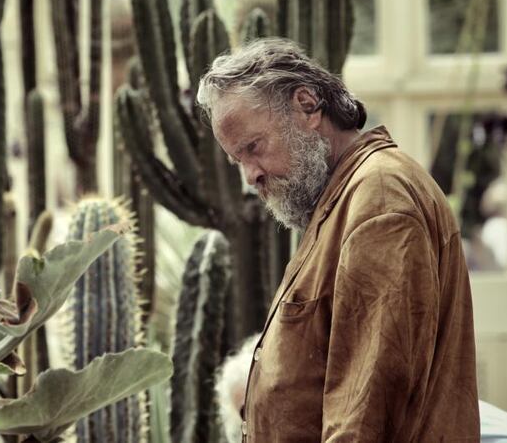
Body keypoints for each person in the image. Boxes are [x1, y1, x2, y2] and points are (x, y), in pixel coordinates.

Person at [196, 37, 480, 442]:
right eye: (237, 160)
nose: (250, 176)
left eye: (253, 147)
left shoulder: (379, 198)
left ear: (307, 105)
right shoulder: (347, 197)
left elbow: (366, 406)